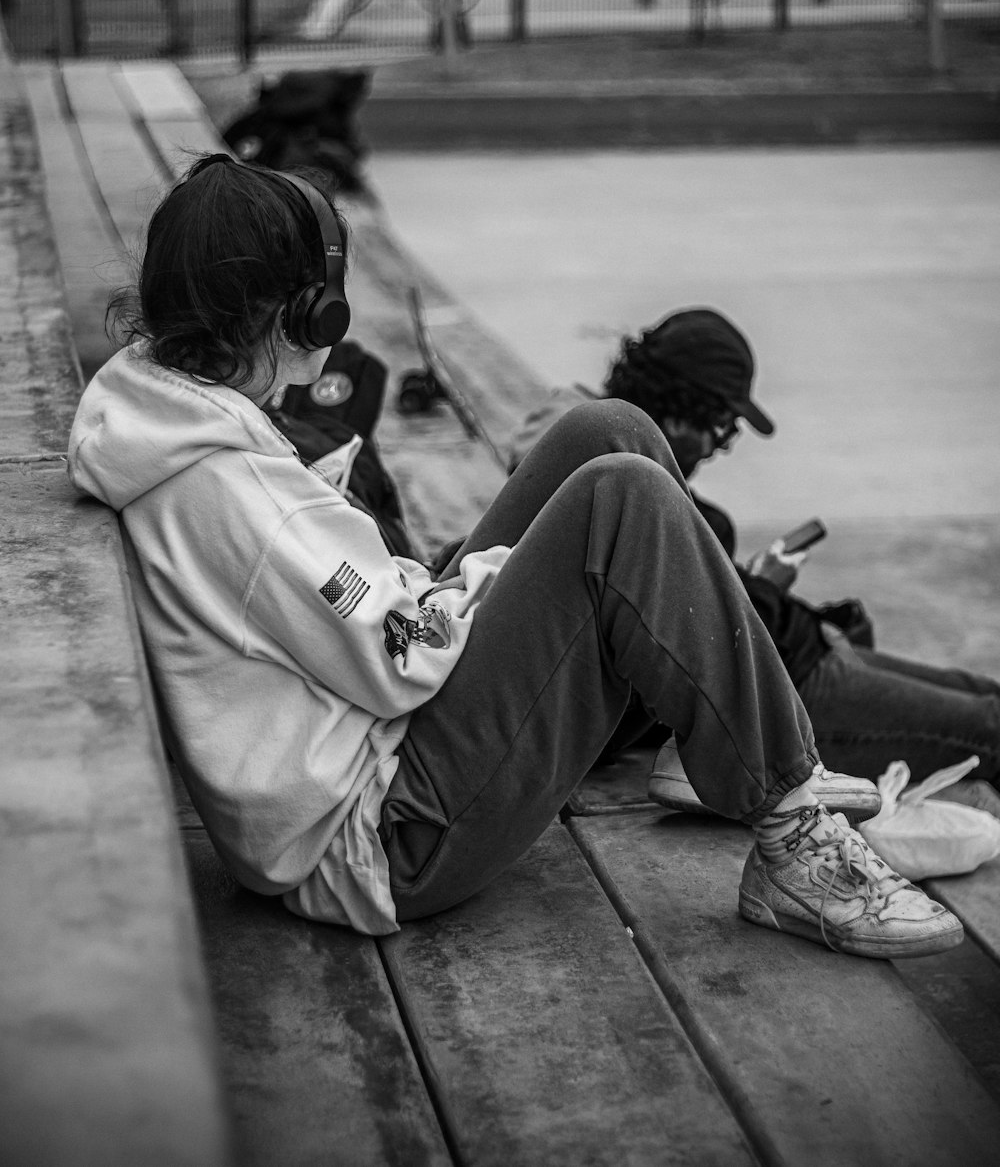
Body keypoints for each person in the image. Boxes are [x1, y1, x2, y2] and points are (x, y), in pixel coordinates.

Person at [67, 155, 963, 961]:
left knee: (606, 431)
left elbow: (371, 626)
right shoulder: (233, 495)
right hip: (387, 836)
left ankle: (728, 739)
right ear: (300, 310)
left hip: (378, 737)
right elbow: (405, 662)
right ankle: (790, 831)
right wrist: (511, 576)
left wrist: (471, 585)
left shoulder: (169, 406)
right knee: (623, 497)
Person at [508, 308, 1000, 813]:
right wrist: (763, 587)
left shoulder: (635, 491)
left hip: (801, 650)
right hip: (783, 694)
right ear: (677, 412)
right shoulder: (624, 498)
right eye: (722, 428)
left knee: (983, 696)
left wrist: (757, 588)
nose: (722, 447)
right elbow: (685, 639)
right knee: (989, 726)